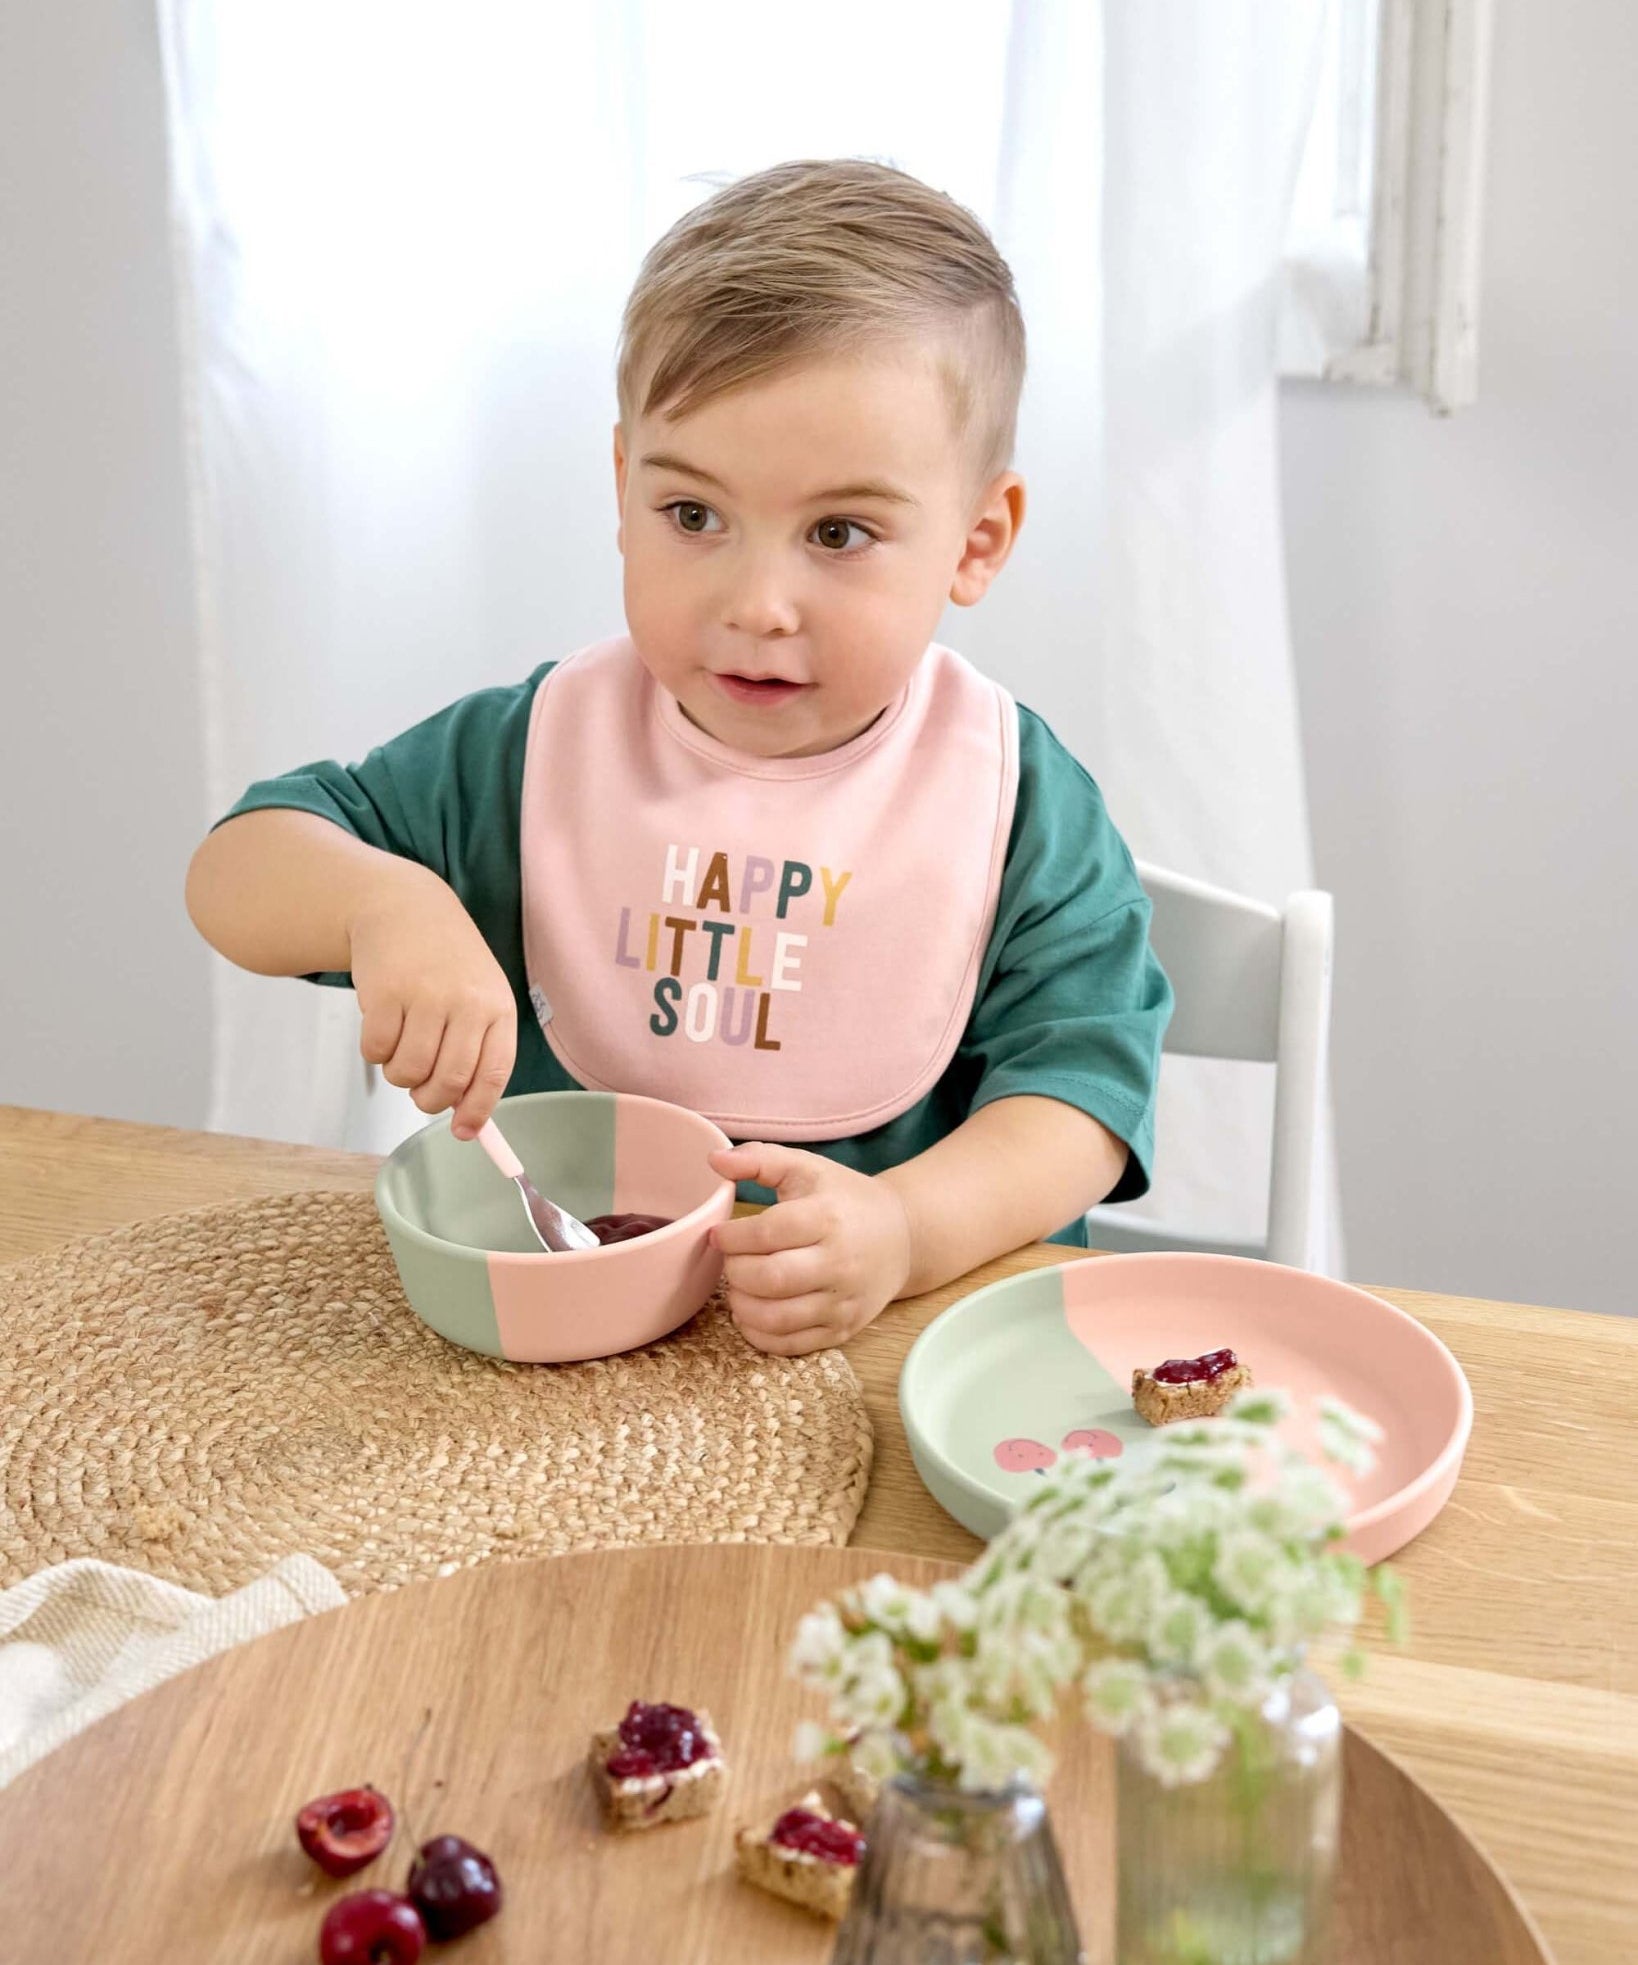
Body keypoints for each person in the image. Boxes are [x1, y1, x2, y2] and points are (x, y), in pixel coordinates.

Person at [186, 158, 1172, 1357]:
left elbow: (1084, 1100)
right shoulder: (535, 752)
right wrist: (379, 902)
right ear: (620, 487)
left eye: (840, 533)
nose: (757, 603)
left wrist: (905, 1229)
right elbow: (236, 872)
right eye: (693, 516)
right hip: (561, 1385)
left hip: (891, 1360)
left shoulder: (1014, 798)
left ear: (976, 541)